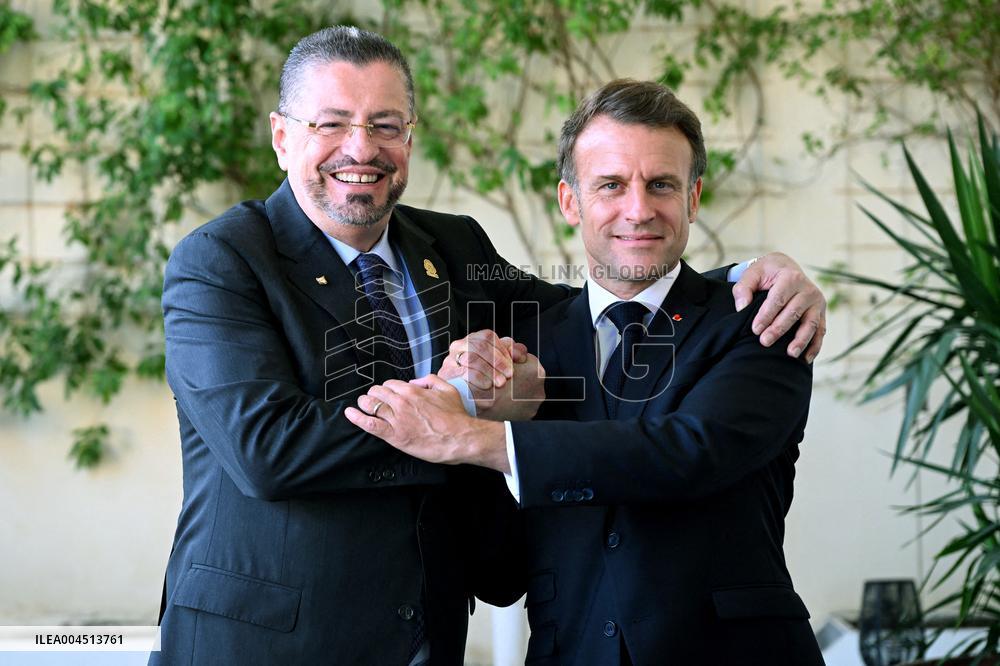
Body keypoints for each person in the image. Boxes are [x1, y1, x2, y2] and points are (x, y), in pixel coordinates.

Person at [155, 24, 826, 666]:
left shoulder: (453, 247)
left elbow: (595, 302)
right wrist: (460, 406)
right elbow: (266, 449)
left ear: (409, 137)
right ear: (282, 136)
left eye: (385, 125)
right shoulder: (222, 260)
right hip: (268, 642)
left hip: (425, 635)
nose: (361, 148)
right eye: (331, 123)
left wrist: (743, 281)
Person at [348, 79, 825, 665]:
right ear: (570, 202)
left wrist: (476, 438)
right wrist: (470, 422)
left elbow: (689, 453)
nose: (639, 209)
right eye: (611, 185)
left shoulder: (765, 319)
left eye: (661, 184)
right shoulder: (526, 349)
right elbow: (500, 573)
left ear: (694, 198)